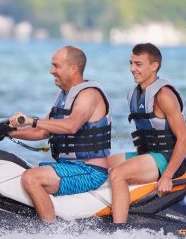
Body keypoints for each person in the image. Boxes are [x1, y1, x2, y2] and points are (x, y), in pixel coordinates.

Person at [9, 45, 112, 223]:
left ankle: (51, 233)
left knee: (31, 178)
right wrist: (8, 133)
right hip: (69, 166)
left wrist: (30, 120)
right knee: (19, 168)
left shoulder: (88, 95)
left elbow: (71, 126)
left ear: (73, 68)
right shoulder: (64, 96)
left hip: (89, 171)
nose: (51, 71)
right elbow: (42, 131)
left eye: (56, 66)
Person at [106, 42, 186, 224]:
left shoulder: (164, 95)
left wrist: (167, 176)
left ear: (154, 66)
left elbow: (184, 140)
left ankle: (119, 229)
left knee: (117, 174)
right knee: (99, 165)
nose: (132, 69)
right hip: (148, 156)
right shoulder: (134, 94)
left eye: (138, 64)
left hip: (168, 159)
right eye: (131, 63)